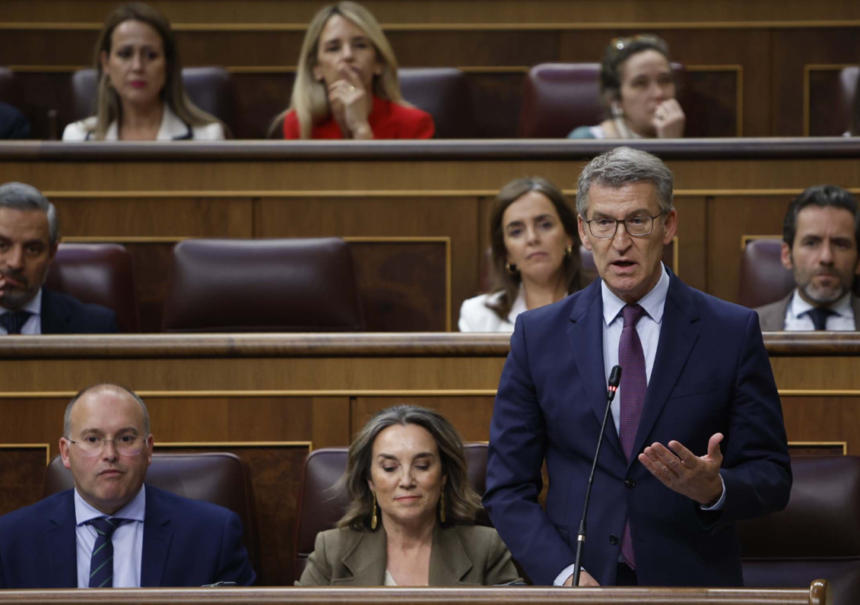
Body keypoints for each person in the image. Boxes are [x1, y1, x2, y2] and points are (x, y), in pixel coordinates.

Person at [484, 147, 791, 587]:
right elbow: (507, 487)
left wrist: (715, 490)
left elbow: (772, 475)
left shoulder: (730, 331)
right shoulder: (539, 335)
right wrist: (563, 572)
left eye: (637, 221)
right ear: (583, 232)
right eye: (604, 222)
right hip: (581, 587)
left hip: (692, 583)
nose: (620, 241)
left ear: (668, 225)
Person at [0, 383, 256, 588]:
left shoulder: (211, 535)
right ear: (66, 452)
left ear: (148, 449)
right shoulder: (11, 540)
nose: (109, 453)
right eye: (93, 438)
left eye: (125, 438)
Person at [297, 405, 520, 586]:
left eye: (422, 466)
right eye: (389, 468)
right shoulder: (332, 550)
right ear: (370, 481)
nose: (406, 481)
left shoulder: (485, 548)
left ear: (443, 475)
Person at [62, 3, 226, 141]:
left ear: (168, 64)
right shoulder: (77, 138)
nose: (137, 66)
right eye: (125, 54)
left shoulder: (207, 137)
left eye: (150, 55)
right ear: (106, 63)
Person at [279, 1, 434, 140]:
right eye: (333, 48)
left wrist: (361, 129)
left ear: (378, 63)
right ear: (316, 68)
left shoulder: (414, 124)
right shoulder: (300, 124)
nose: (348, 55)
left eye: (360, 45)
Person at [459, 177, 583, 332]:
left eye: (545, 225)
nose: (532, 238)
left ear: (569, 235)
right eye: (516, 231)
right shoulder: (479, 315)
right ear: (506, 252)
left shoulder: (603, 304)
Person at [0, 182, 118, 335]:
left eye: (32, 249)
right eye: (2, 245)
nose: (16, 263)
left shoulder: (96, 327)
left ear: (51, 253)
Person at [756, 185, 860, 330]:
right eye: (811, 243)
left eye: (840, 244)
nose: (826, 258)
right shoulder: (746, 329)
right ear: (787, 255)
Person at [568, 35, 685, 140]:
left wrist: (673, 143)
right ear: (615, 99)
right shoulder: (587, 140)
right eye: (641, 83)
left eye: (665, 80)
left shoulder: (687, 140)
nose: (659, 93)